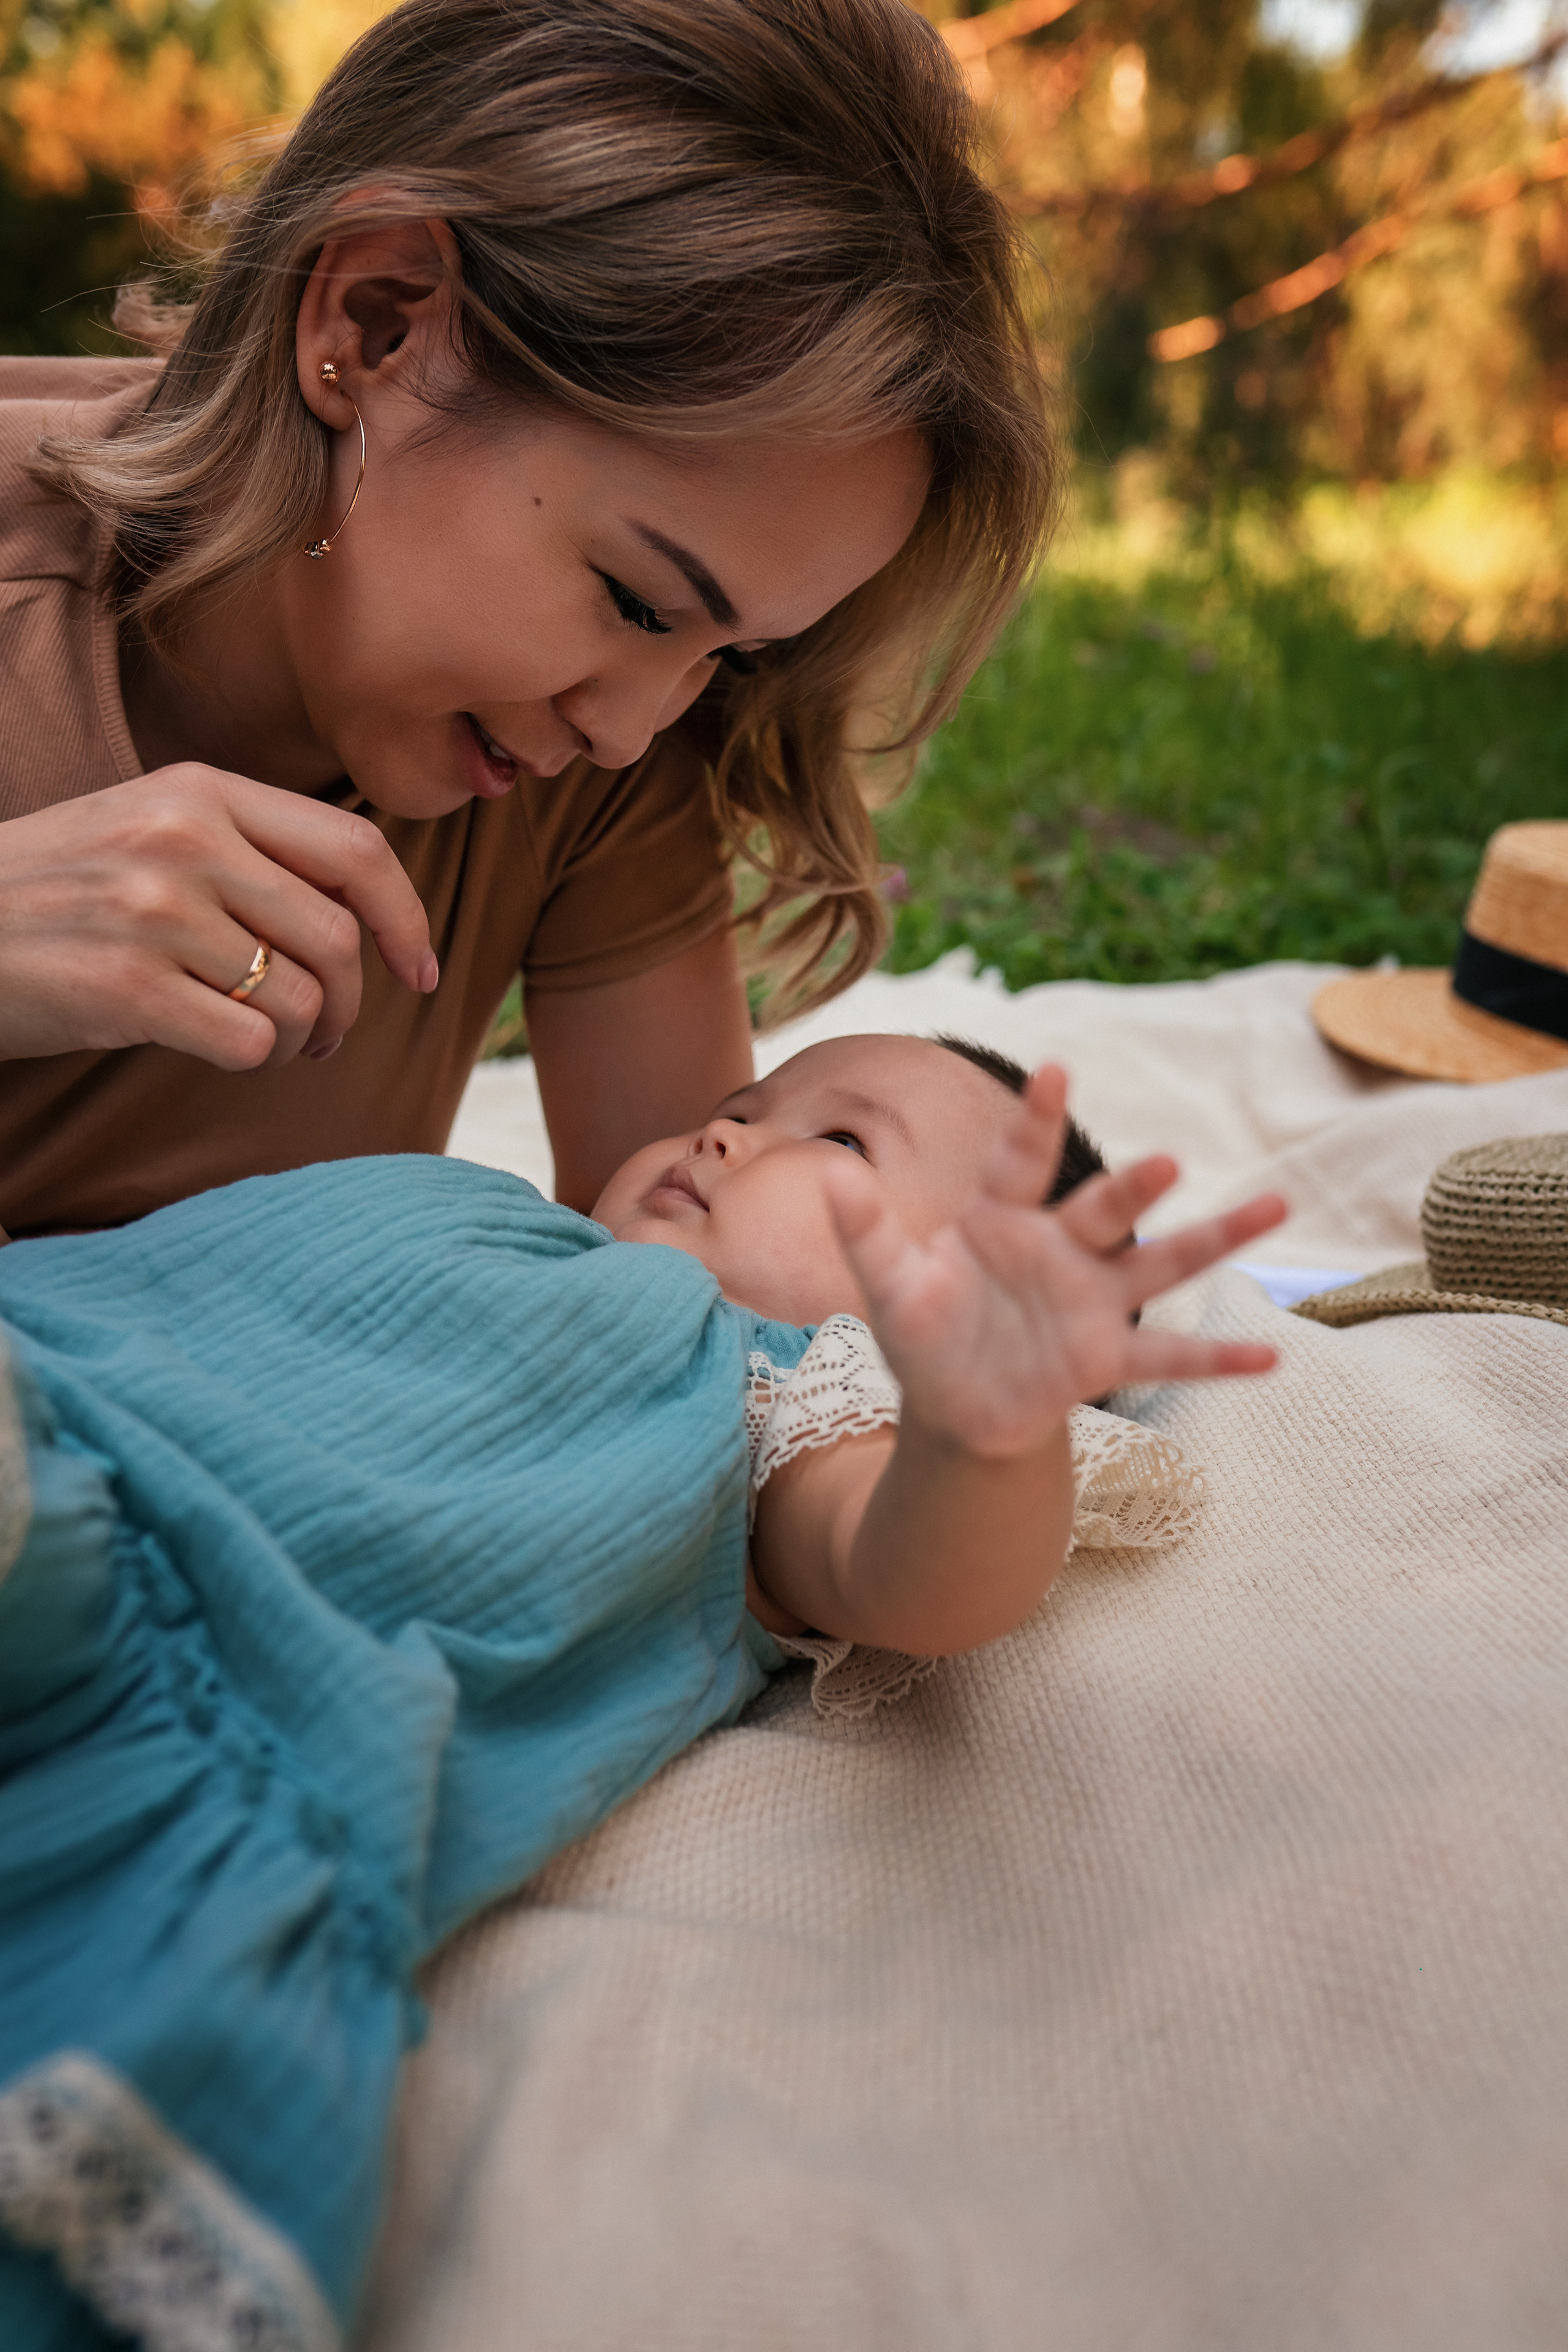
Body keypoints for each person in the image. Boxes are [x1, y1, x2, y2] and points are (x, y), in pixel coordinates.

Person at [0, 1031, 1283, 2350]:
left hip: (144, 1647)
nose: (725, 1132)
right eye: (742, 1104)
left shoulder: (781, 1400)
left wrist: (985, 1432)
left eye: (840, 1141)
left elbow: (921, 1577)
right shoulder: (496, 1216)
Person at [0, 0, 1057, 1242]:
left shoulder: (590, 763)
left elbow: (698, 1301)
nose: (629, 730)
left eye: (731, 650)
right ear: (374, 324)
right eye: (637, 601)